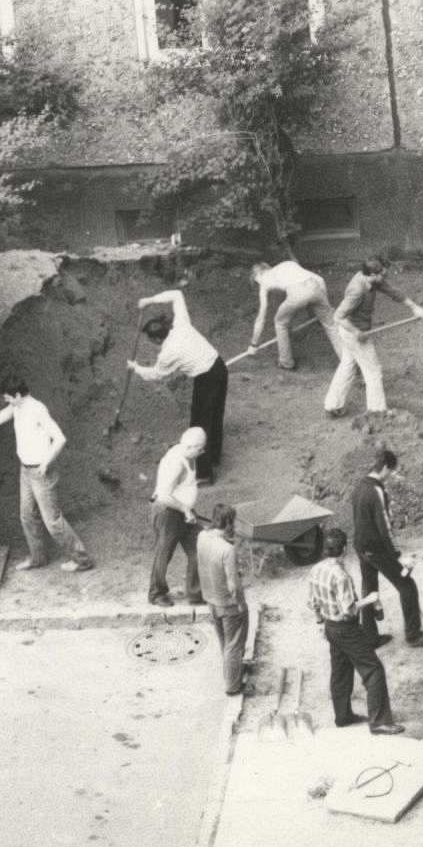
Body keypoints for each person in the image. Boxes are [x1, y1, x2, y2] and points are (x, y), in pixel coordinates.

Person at [0, 376, 94, 573]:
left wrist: (45, 463)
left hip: (41, 473)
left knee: (52, 521)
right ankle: (38, 558)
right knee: (27, 517)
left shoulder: (37, 409)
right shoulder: (17, 407)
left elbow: (59, 438)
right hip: (25, 471)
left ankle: (82, 560)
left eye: (8, 398)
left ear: (17, 395)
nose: (6, 401)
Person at [308, 527, 404, 735]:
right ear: (344, 549)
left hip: (330, 627)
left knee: (340, 671)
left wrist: (320, 621)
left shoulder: (316, 570)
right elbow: (349, 609)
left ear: (325, 549)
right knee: (373, 669)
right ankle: (379, 722)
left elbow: (313, 602)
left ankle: (343, 716)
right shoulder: (340, 576)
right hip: (346, 628)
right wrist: (370, 599)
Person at [128, 289, 228, 484]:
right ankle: (214, 456)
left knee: (200, 423)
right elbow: (177, 294)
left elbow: (155, 374)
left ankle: (204, 473)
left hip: (206, 377)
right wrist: (149, 300)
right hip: (219, 367)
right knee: (216, 414)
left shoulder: (168, 354)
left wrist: (135, 368)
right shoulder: (180, 324)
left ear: (157, 339)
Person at [351, 446, 423, 648]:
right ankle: (413, 635)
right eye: (390, 472)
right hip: (377, 548)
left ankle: (371, 637)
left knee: (369, 589)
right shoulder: (376, 490)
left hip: (361, 546)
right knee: (407, 585)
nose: (390, 476)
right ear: (386, 468)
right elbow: (385, 526)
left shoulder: (359, 487)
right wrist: (397, 556)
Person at [324, 257, 423, 418]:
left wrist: (415, 307)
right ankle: (377, 412)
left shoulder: (374, 280)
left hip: (356, 330)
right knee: (373, 371)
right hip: (353, 332)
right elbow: (338, 317)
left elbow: (393, 291)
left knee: (348, 365)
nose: (384, 278)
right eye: (382, 275)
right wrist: (357, 332)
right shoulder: (357, 290)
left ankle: (333, 405)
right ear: (373, 275)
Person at [148, 427, 208, 607]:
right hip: (167, 512)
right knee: (164, 552)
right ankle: (156, 593)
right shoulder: (176, 462)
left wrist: (187, 509)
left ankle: (195, 594)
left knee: (199, 548)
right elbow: (163, 495)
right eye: (200, 449)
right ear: (190, 446)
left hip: (182, 511)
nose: (202, 452)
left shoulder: (188, 454)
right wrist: (186, 509)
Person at [245, 260, 341, 370]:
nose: (258, 284)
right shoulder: (288, 264)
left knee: (280, 323)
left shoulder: (264, 282)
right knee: (331, 326)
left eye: (256, 281)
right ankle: (348, 361)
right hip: (315, 287)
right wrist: (326, 307)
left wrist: (254, 344)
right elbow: (320, 280)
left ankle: (286, 362)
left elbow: (261, 318)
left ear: (258, 274)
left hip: (297, 292)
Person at [196, 503, 248, 695]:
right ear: (227, 523)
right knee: (234, 644)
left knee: (224, 642)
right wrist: (241, 605)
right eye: (232, 522)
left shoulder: (202, 537)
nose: (233, 526)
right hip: (228, 603)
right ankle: (233, 685)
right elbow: (233, 584)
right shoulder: (227, 549)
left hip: (210, 597)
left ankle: (230, 672)